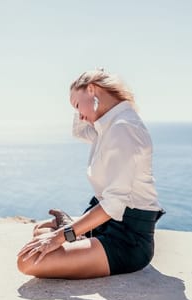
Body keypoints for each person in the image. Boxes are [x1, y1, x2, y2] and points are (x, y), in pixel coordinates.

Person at [17, 69, 165, 279]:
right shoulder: (108, 125)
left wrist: (60, 237)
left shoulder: (123, 128)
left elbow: (114, 205)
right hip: (108, 224)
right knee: (40, 231)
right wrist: (87, 100)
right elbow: (79, 131)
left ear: (92, 89)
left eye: (77, 106)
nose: (80, 115)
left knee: (28, 261)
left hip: (127, 239)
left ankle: (73, 230)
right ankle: (75, 231)